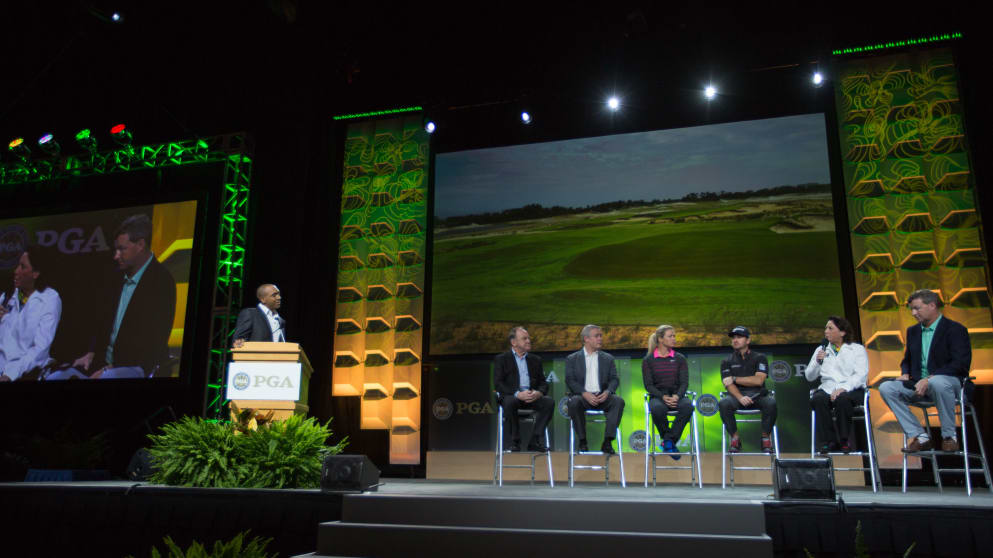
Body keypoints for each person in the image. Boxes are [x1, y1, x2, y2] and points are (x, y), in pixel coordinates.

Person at [48, 214, 176, 380]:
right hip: (105, 363)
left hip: (138, 365)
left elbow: (154, 341)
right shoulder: (114, 278)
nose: (116, 256)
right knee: (56, 378)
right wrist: (92, 353)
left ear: (140, 245)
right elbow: (101, 323)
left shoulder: (162, 282)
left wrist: (113, 368)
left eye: (122, 249)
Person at [879, 289, 972, 453]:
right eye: (911, 310)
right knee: (886, 387)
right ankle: (920, 436)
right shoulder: (912, 331)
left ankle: (949, 437)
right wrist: (905, 372)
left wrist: (929, 378)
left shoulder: (955, 329)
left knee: (937, 382)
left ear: (932, 305)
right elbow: (907, 359)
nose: (914, 313)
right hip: (918, 385)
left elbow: (960, 364)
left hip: (950, 384)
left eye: (917, 308)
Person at [804, 316, 868, 453]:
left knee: (842, 399)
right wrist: (817, 361)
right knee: (818, 399)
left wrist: (843, 388)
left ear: (842, 332)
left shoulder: (857, 349)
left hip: (852, 388)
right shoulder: (821, 350)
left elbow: (861, 374)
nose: (826, 331)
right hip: (827, 388)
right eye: (825, 328)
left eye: (830, 328)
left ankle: (844, 439)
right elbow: (809, 376)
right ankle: (829, 441)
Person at [0, 248, 62, 381]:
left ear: (35, 273)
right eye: (17, 265)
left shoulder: (50, 299)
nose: (16, 271)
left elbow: (40, 349)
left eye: (22, 267)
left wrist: (10, 374)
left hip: (25, 373)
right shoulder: (7, 296)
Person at [565, 324, 625, 454]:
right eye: (597, 336)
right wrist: (584, 393)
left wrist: (608, 391)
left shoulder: (608, 358)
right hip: (583, 397)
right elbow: (570, 380)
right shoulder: (572, 359)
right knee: (574, 402)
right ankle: (582, 441)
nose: (600, 339)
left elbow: (614, 379)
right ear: (586, 339)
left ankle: (608, 442)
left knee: (618, 401)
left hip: (603, 396)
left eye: (601, 336)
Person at [493, 326, 554, 452]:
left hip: (532, 397)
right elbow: (498, 383)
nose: (528, 341)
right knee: (510, 402)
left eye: (528, 338)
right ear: (514, 342)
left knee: (549, 402)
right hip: (513, 396)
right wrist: (517, 393)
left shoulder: (535, 360)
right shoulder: (502, 359)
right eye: (524, 338)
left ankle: (535, 440)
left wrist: (538, 393)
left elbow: (543, 383)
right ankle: (515, 441)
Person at [718, 326, 777, 453]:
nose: (735, 340)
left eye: (739, 337)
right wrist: (740, 397)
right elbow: (728, 384)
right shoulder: (726, 361)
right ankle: (735, 439)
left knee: (771, 403)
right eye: (733, 338)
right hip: (736, 397)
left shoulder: (760, 357)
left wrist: (734, 378)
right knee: (723, 403)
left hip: (758, 395)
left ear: (748, 340)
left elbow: (758, 380)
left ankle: (765, 438)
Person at [642, 324, 692, 459]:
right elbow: (649, 385)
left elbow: (684, 383)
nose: (674, 339)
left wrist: (677, 396)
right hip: (658, 396)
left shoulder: (680, 358)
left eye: (674, 336)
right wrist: (662, 396)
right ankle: (669, 443)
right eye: (670, 336)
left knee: (688, 406)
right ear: (660, 339)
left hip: (678, 395)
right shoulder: (648, 360)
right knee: (657, 408)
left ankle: (668, 441)